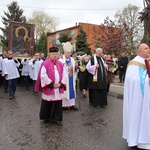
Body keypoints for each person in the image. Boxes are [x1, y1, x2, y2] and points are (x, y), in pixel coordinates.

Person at [123, 43, 150, 149]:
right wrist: (147, 81)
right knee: (138, 116)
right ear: (139, 52)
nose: (149, 49)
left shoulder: (147, 61)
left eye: (148, 48)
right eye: (146, 48)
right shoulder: (134, 64)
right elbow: (133, 80)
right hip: (138, 98)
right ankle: (137, 139)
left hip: (146, 98)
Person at [34, 46, 67, 126]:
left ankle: (57, 119)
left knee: (58, 103)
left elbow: (65, 74)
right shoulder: (45, 63)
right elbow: (43, 75)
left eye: (56, 54)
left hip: (58, 87)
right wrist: (52, 84)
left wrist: (60, 84)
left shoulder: (61, 64)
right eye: (53, 54)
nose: (55, 55)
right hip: (49, 87)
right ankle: (46, 117)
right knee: (47, 102)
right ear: (49, 55)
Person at [59, 42, 78, 110]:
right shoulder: (61, 60)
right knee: (65, 91)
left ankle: (72, 105)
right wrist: (67, 68)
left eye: (69, 53)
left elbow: (75, 70)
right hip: (65, 79)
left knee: (72, 90)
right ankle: (64, 106)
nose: (69, 54)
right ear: (64, 52)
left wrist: (75, 66)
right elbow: (59, 70)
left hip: (71, 78)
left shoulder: (72, 60)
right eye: (67, 53)